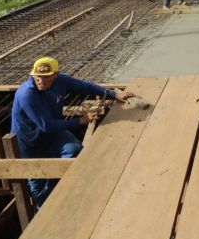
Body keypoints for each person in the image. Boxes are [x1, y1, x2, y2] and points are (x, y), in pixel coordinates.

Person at [11, 57, 133, 208]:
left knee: (74, 149)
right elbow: (46, 125)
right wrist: (80, 121)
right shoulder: (27, 94)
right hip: (30, 143)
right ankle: (43, 210)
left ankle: (58, 187)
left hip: (53, 135)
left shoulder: (61, 81)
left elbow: (85, 87)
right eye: (38, 76)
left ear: (56, 74)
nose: (41, 81)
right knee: (37, 183)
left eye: (46, 77)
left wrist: (113, 94)